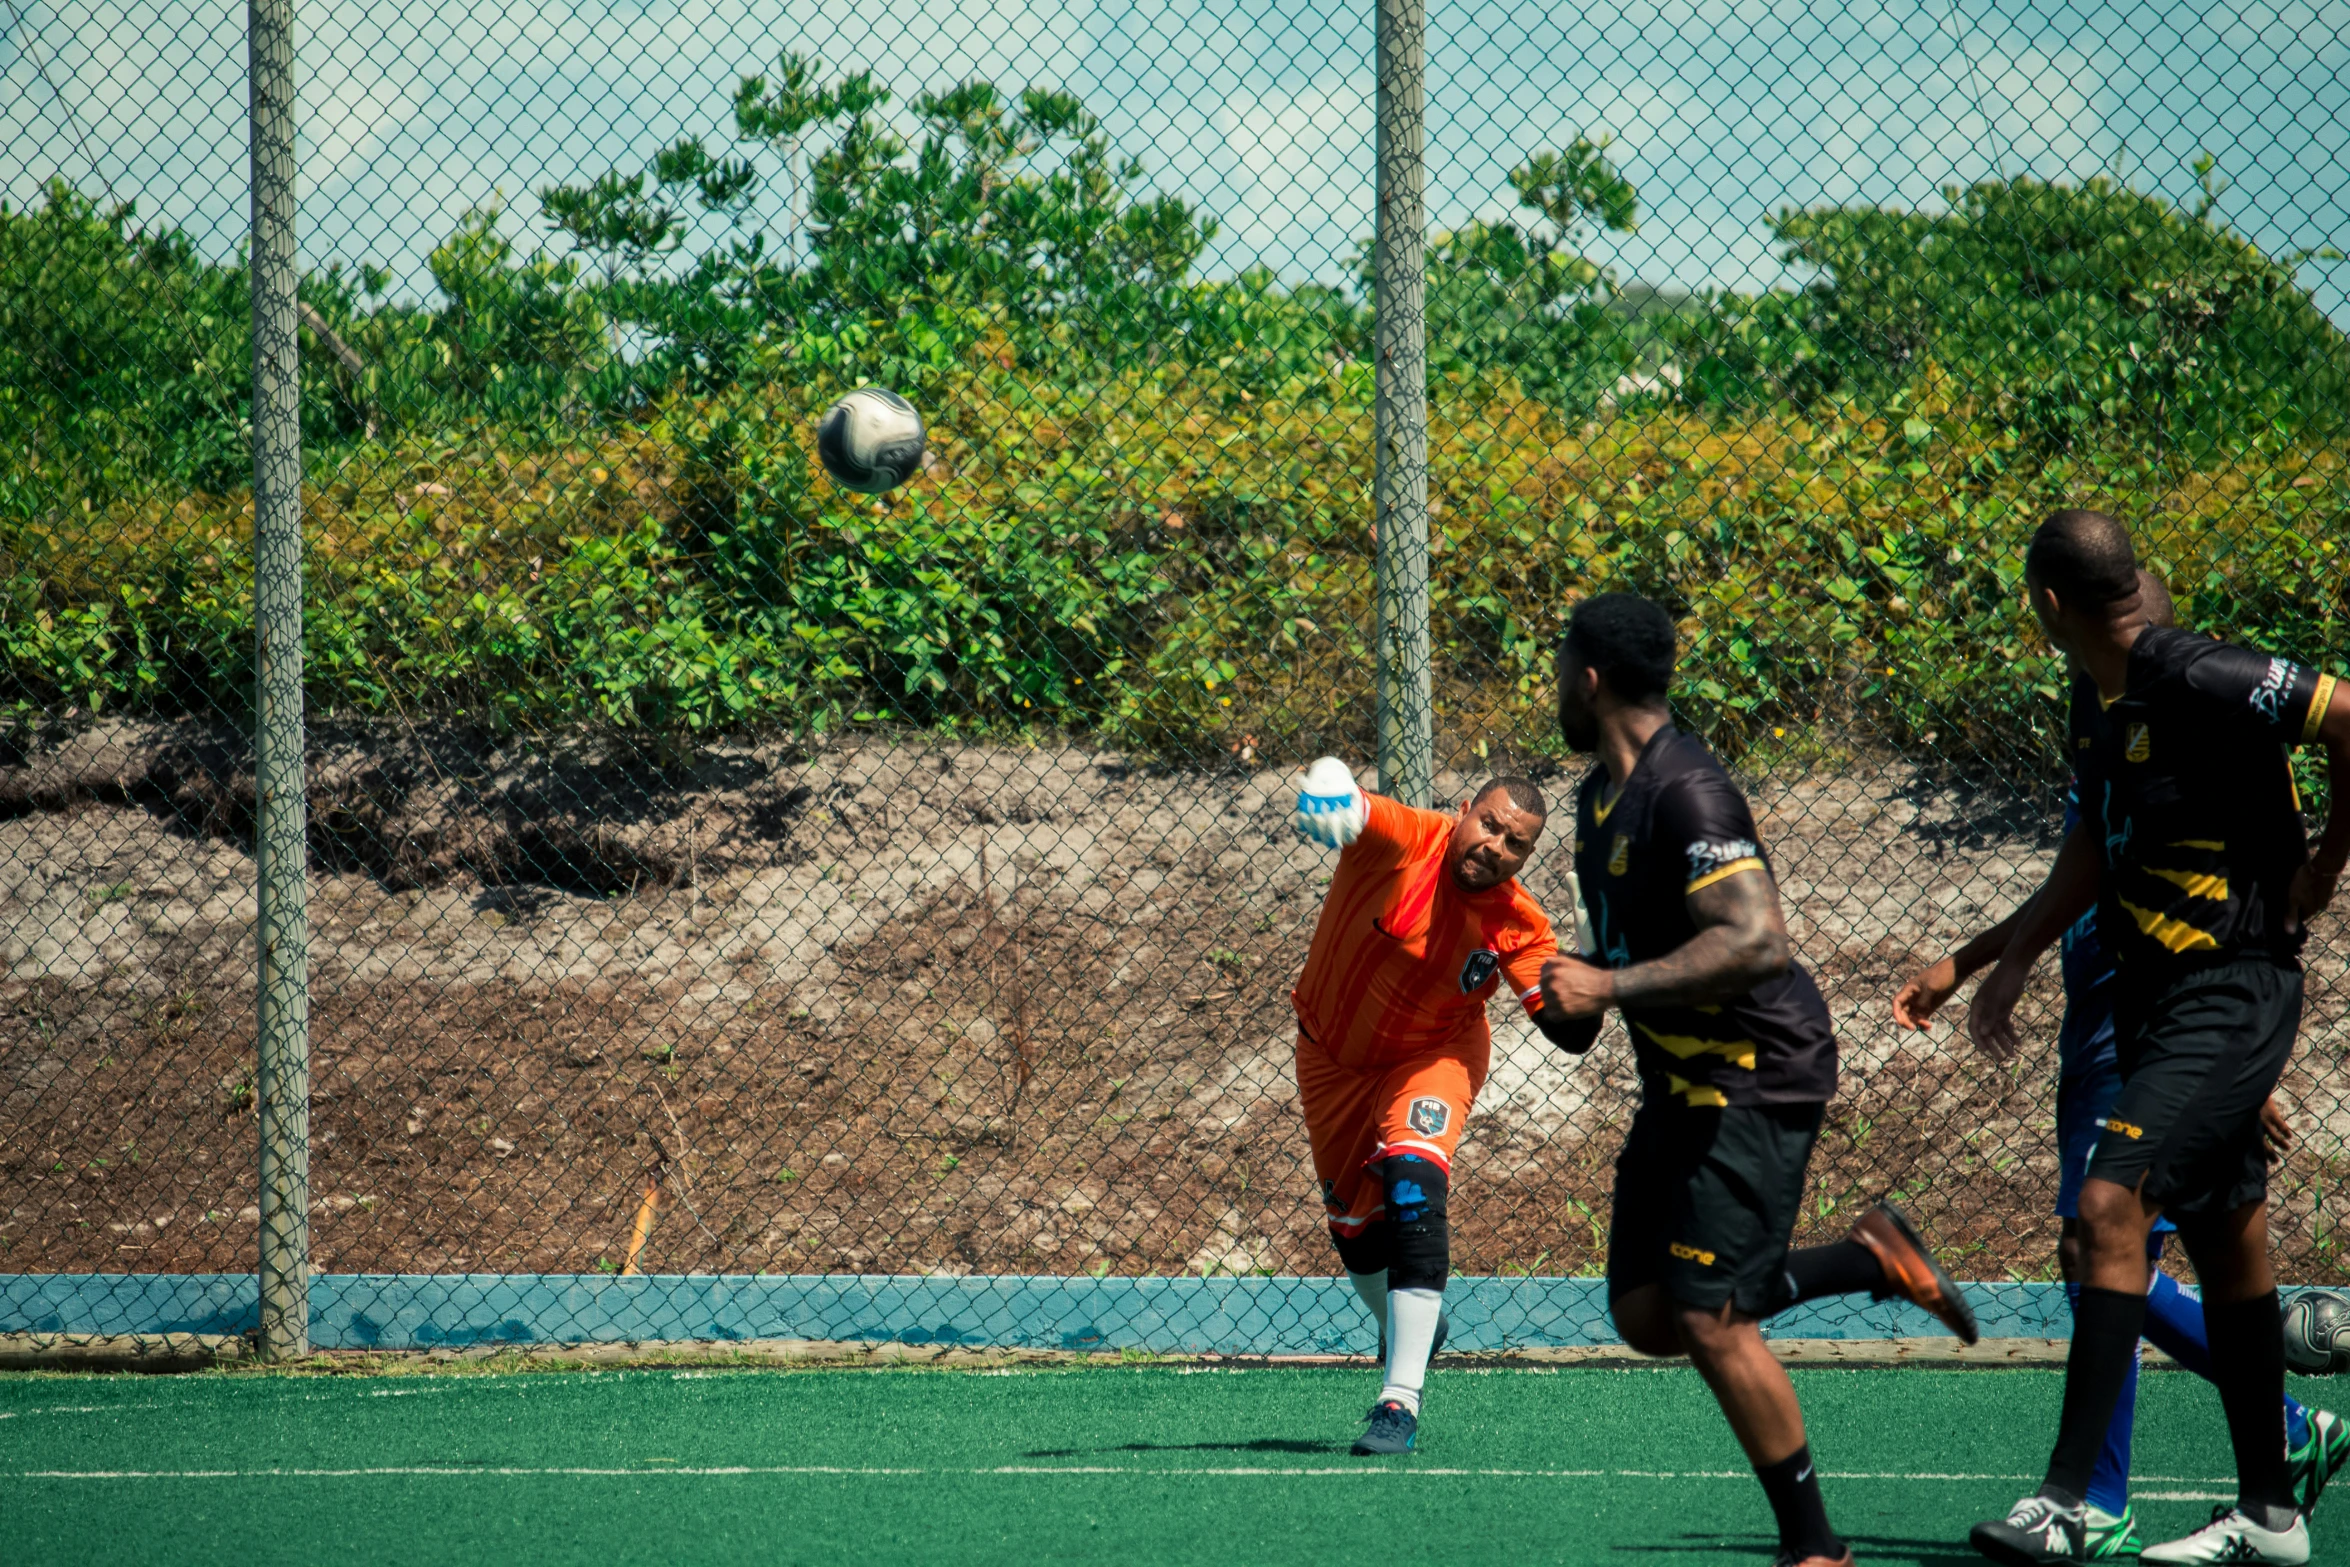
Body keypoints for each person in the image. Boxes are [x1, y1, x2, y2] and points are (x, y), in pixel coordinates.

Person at [1893, 569, 2346, 1558]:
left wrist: (2247, 1045)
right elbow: (2085, 856)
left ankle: (2092, 1496)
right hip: (2124, 1006)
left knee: (2103, 1229)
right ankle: (2272, 1467)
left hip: (2167, 1013)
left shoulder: (2204, 703)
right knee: (2161, 1239)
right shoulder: (2099, 713)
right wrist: (1986, 963)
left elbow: (2261, 893)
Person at [1536, 591, 1981, 1567]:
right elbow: (1621, 967)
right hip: (1677, 1089)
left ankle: (1813, 1547)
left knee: (1708, 1318)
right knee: (1649, 1313)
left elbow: (1757, 940)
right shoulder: (1592, 802)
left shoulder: (1687, 789)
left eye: (1559, 664)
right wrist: (1569, 996)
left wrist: (1604, 983)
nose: (1552, 683)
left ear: (1592, 676)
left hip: (1754, 1074)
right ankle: (1870, 1259)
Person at [1288, 758, 1578, 1455]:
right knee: (1356, 1233)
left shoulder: (1519, 921)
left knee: (1415, 1186)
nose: (1497, 848)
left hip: (1434, 1058)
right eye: (1491, 825)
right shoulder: (1404, 839)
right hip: (1330, 1054)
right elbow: (1350, 802)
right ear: (1462, 810)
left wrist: (1596, 978)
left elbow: (1570, 1034)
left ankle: (1399, 1401)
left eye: (1517, 845)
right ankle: (1410, 1321)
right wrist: (1325, 781)